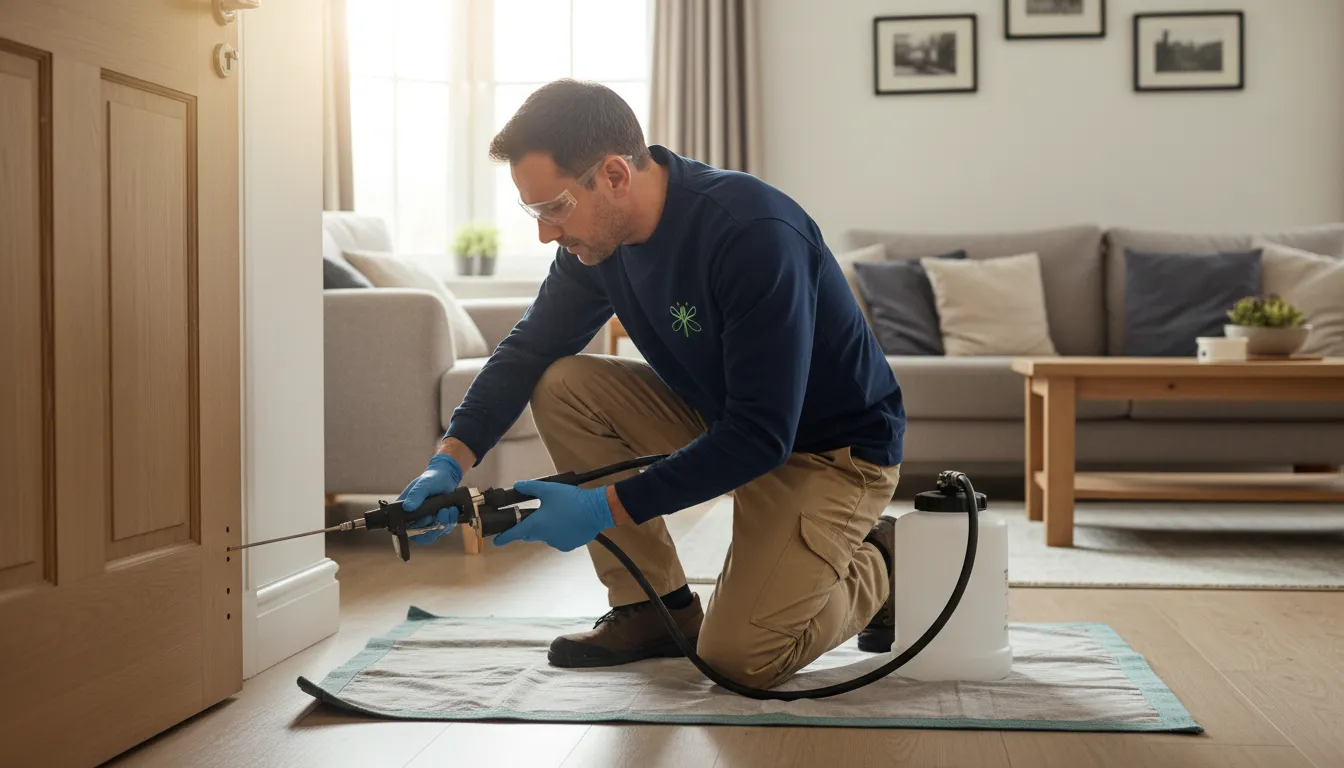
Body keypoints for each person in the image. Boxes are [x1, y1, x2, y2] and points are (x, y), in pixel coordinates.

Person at [397, 79, 907, 689]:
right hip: (726, 421)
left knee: (740, 659)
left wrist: (600, 508)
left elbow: (763, 435)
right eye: (534, 212)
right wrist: (450, 461)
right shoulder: (598, 243)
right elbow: (529, 347)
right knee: (562, 382)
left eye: (553, 208)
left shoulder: (752, 233)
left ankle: (883, 561)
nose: (546, 233)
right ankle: (655, 609)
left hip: (828, 453)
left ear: (614, 175)